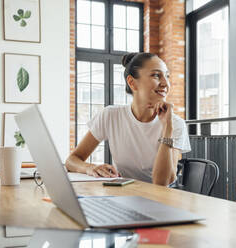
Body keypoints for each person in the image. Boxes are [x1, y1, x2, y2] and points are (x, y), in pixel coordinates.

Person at [65, 52, 191, 186]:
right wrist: (90, 168)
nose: (166, 83)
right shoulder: (111, 116)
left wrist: (167, 128)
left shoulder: (175, 124)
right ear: (132, 82)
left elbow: (162, 183)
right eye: (156, 75)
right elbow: (72, 160)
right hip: (124, 193)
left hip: (162, 200)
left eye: (167, 76)